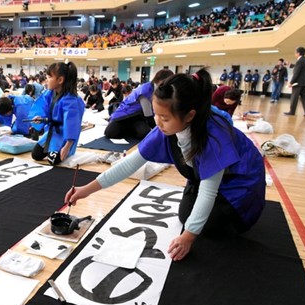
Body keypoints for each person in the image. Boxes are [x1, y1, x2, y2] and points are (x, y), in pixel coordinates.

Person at [65, 69, 266, 261]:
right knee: (186, 216)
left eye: (165, 118)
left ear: (189, 115)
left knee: (208, 228)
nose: (158, 122)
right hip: (205, 179)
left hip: (239, 187)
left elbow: (208, 191)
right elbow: (129, 164)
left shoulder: (213, 134)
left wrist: (188, 237)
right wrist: (86, 190)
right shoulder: (166, 129)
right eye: (156, 114)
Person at [29, 62, 85, 165]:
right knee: (36, 155)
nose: (46, 80)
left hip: (64, 134)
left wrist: (67, 146)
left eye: (49, 77)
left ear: (60, 80)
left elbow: (72, 123)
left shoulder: (71, 100)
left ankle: (64, 148)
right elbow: (44, 109)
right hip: (52, 132)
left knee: (53, 160)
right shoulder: (49, 93)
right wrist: (40, 118)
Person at [104, 69, 174, 139]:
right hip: (125, 114)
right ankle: (128, 129)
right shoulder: (146, 90)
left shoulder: (158, 90)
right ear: (161, 80)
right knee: (110, 132)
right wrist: (159, 131)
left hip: (138, 117)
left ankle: (131, 129)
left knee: (144, 132)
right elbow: (148, 116)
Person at [285, 47, 305, 116]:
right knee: (304, 97)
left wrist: (291, 82)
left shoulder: (299, 61)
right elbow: (298, 66)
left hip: (298, 83)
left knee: (294, 97)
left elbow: (296, 73)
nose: (295, 54)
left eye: (295, 52)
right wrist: (289, 64)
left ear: (298, 53)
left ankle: (292, 112)